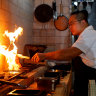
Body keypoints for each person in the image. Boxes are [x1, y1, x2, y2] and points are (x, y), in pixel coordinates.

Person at [31, 10, 96, 96]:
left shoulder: (89, 34)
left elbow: (70, 53)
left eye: (71, 23)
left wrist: (44, 55)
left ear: (83, 22)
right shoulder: (84, 35)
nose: (69, 27)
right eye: (69, 25)